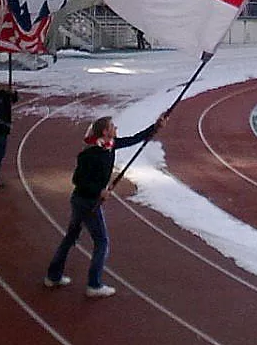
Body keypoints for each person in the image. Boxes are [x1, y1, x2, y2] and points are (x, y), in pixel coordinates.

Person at [44, 112, 169, 297]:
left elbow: (135, 139)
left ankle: (53, 276)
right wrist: (99, 191)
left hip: (84, 201)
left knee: (71, 237)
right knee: (101, 242)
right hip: (86, 202)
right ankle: (94, 285)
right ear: (105, 132)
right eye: (113, 127)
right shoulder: (90, 154)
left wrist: (156, 126)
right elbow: (77, 179)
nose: (116, 129)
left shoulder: (110, 146)